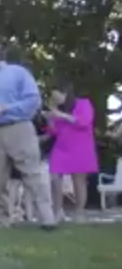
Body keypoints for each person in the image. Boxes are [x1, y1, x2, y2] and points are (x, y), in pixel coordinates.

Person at [0, 41, 56, 229]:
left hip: (19, 127)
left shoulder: (17, 73)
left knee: (32, 174)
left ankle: (47, 219)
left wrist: (6, 108)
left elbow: (33, 100)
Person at [44, 82, 98, 221]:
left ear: (65, 93)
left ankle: (79, 212)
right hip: (61, 148)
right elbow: (54, 132)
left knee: (78, 180)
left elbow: (84, 122)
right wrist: (50, 120)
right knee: (55, 178)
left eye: (57, 95)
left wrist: (62, 115)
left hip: (81, 147)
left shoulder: (83, 104)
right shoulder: (58, 108)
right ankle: (57, 211)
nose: (55, 99)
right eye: (53, 97)